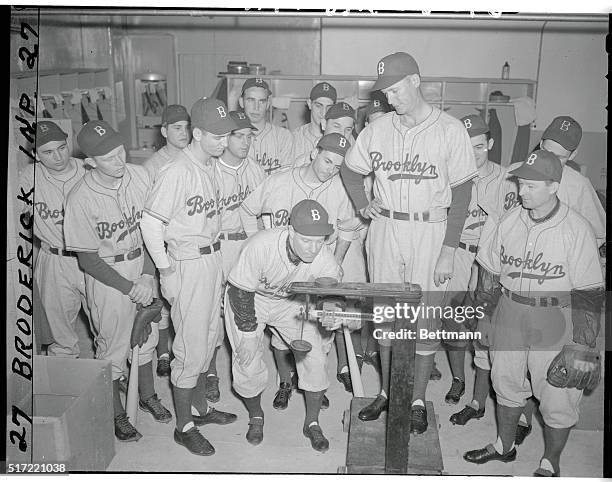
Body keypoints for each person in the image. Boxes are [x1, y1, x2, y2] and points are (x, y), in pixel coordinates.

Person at [340, 52, 477, 434]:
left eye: (396, 89)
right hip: (385, 229)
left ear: (416, 81)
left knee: (425, 322)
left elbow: (463, 194)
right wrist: (363, 205)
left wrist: (449, 249)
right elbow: (350, 170)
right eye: (385, 91)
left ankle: (415, 399)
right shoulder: (378, 128)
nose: (390, 98)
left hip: (431, 232)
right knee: (386, 320)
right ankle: (386, 392)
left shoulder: (450, 129)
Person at [463, 150, 604, 477]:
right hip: (510, 311)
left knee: (558, 398)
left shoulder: (577, 229)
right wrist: (483, 316)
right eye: (521, 184)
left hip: (556, 317)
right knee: (505, 383)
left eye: (530, 185)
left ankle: (550, 462)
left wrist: (581, 344)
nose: (521, 191)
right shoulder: (508, 221)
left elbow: (589, 293)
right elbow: (489, 274)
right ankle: (504, 447)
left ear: (554, 186)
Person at [140, 98, 238, 456]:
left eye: (226, 135)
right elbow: (150, 223)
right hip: (186, 263)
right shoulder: (177, 170)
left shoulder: (208, 164)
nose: (223, 142)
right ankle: (184, 426)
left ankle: (200, 409)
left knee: (209, 338)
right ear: (196, 133)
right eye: (216, 136)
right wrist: (165, 270)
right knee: (189, 348)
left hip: (210, 260)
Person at [64, 120, 172, 442]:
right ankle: (116, 413)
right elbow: (88, 259)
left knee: (148, 339)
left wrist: (147, 276)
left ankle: (147, 395)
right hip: (108, 276)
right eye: (108, 157)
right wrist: (130, 287)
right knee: (113, 347)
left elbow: (154, 232)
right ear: (90, 162)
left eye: (120, 151)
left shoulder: (138, 175)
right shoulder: (80, 197)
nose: (118, 160)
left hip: (142, 264)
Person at [239, 132, 360, 407]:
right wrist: (255, 241)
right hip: (279, 269)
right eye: (327, 161)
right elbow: (248, 209)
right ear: (313, 153)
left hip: (315, 269)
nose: (331, 170)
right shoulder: (279, 180)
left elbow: (347, 228)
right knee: (282, 335)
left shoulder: (340, 189)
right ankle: (285, 382)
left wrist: (336, 262)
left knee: (316, 334)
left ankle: (313, 386)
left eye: (338, 166)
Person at [224, 199, 344, 451]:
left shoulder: (324, 257)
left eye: (319, 240)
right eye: (306, 240)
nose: (313, 248)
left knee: (316, 357)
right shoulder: (261, 245)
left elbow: (331, 291)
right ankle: (256, 415)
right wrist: (247, 334)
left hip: (289, 301)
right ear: (290, 231)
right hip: (250, 298)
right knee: (246, 359)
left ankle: (311, 423)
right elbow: (239, 291)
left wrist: (331, 312)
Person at [443, 115, 504, 421]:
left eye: (479, 146)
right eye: (467, 147)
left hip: (493, 263)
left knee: (484, 329)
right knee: (452, 318)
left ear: (490, 144)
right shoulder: (451, 175)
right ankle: (458, 378)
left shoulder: (508, 180)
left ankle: (479, 401)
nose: (474, 153)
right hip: (459, 255)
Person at [205, 110, 266, 402]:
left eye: (248, 136)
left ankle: (246, 374)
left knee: (245, 312)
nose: (245, 142)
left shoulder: (255, 168)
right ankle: (211, 373)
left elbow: (264, 213)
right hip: (221, 246)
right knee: (212, 315)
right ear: (224, 138)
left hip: (250, 245)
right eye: (238, 135)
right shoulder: (211, 170)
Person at [19, 121, 90, 358]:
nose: (58, 157)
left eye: (61, 147)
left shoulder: (89, 169)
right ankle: (67, 387)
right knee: (59, 335)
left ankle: (111, 380)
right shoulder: (28, 178)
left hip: (93, 258)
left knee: (107, 326)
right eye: (48, 152)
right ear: (35, 155)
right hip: (54, 259)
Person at [501, 116, 605, 246]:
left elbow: (597, 235)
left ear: (572, 155)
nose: (549, 161)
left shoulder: (579, 185)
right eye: (546, 151)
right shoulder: (513, 172)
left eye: (558, 157)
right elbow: (495, 217)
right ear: (540, 144)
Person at [142, 104, 191, 377]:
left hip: (184, 241)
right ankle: (163, 353)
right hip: (160, 241)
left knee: (185, 305)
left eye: (186, 127)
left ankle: (183, 356)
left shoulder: (195, 158)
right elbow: (148, 215)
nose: (183, 133)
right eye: (176, 128)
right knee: (161, 303)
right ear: (164, 131)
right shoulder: (153, 165)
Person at [239, 77, 294, 175]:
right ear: (241, 102)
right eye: (251, 100)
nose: (256, 107)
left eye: (262, 101)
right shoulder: (231, 136)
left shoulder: (283, 136)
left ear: (268, 104)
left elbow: (286, 179)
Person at [293, 102, 356, 168]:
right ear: (324, 124)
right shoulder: (302, 163)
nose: (342, 134)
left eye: (348, 129)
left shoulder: (358, 164)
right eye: (336, 126)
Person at [291, 81, 337, 160]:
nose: (323, 113)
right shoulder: (294, 138)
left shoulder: (340, 139)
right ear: (309, 104)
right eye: (318, 106)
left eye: (329, 107)